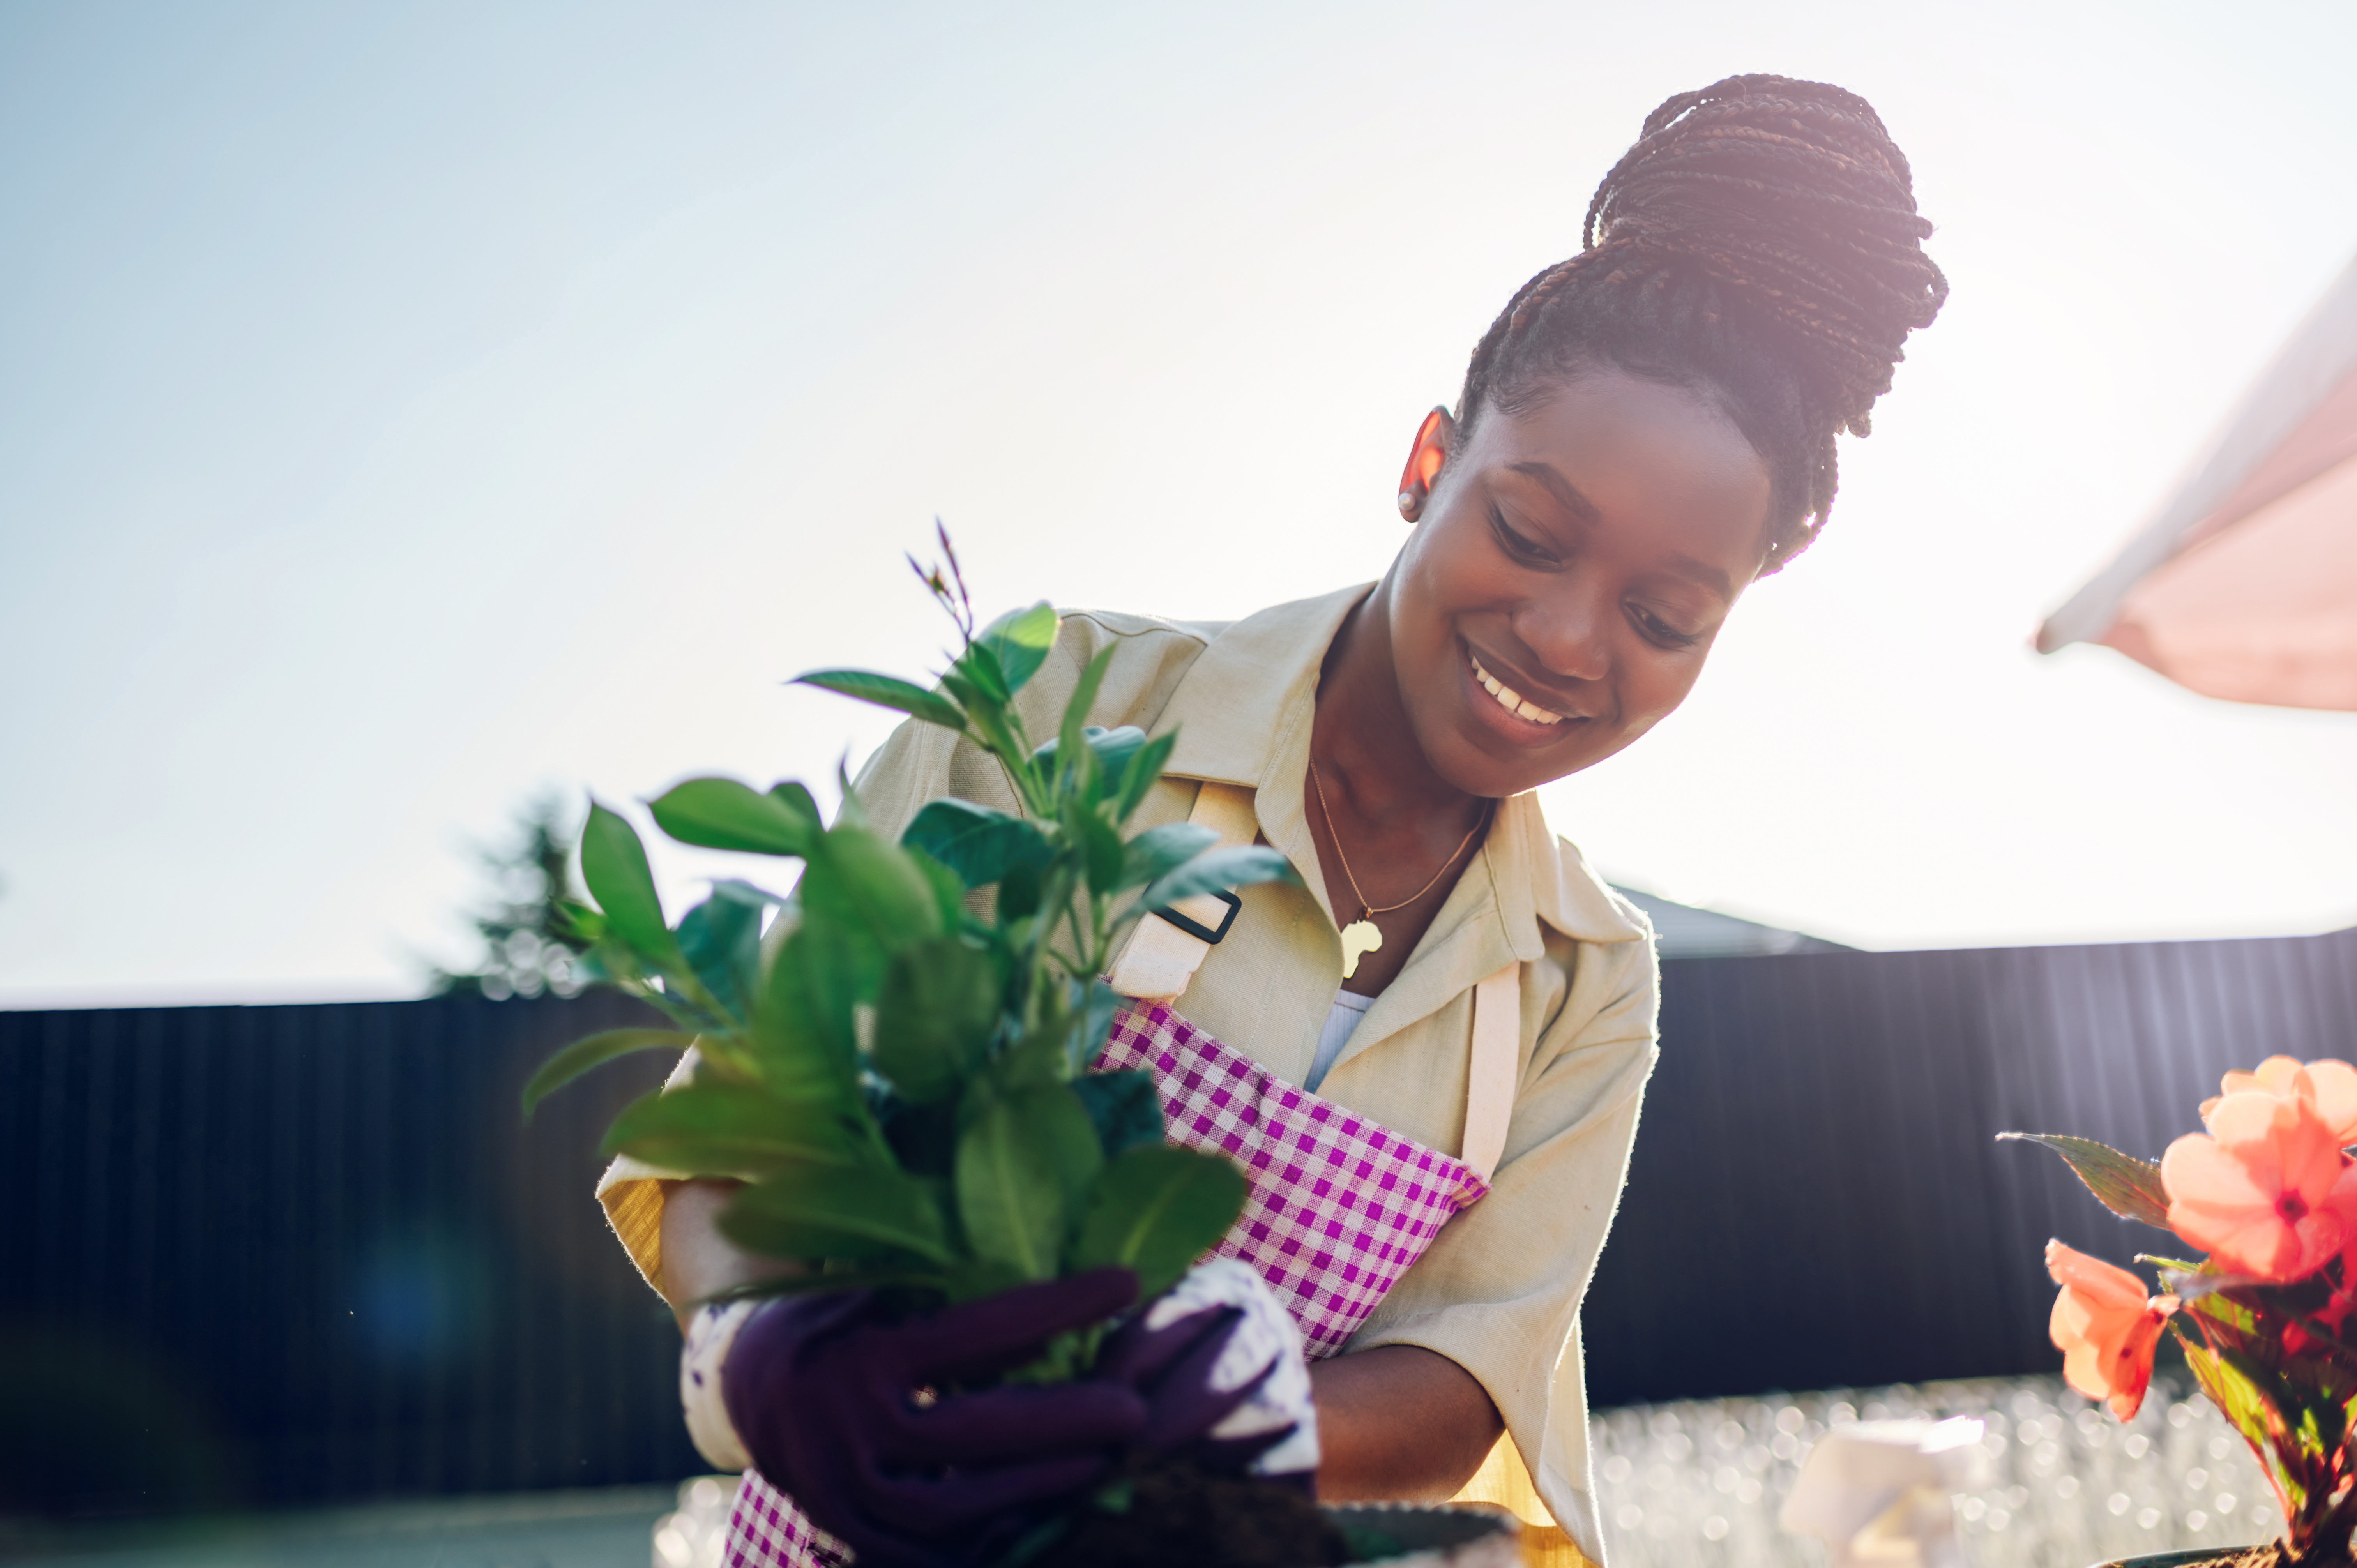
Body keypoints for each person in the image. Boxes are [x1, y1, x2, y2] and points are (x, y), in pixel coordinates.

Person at [599, 72, 1947, 1567]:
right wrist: (767, 1335)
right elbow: (754, 1116)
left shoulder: (1580, 980)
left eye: (1663, 613)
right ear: (1427, 464)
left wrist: (1218, 1416)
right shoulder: (1049, 712)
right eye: (1527, 531)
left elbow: (1464, 1379)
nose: (1569, 641)